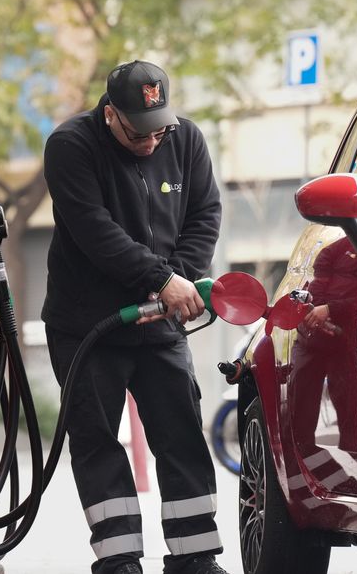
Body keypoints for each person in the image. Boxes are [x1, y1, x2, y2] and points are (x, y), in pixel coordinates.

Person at [41, 60, 227, 574]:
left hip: (160, 325)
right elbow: (94, 230)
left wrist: (177, 282)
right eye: (138, 132)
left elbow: (205, 214)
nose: (151, 141)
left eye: (159, 129)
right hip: (88, 326)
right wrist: (160, 281)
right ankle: (118, 560)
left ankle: (195, 558)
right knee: (97, 442)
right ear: (110, 115)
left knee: (182, 435)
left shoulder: (185, 139)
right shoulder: (71, 146)